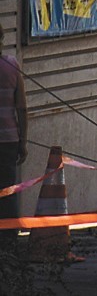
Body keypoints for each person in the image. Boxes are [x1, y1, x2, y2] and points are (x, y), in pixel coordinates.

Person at [0, 23, 24, 244]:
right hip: (8, 140)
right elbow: (22, 108)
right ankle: (8, 235)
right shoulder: (12, 66)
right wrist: (23, 141)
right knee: (7, 189)